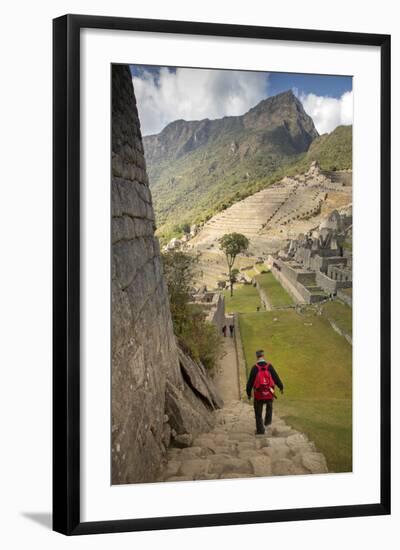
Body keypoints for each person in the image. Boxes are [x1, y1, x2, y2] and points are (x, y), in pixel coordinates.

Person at [246, 349, 284, 435]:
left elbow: (250, 383)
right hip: (269, 392)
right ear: (263, 356)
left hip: (259, 394)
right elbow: (276, 378)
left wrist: (249, 394)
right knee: (269, 407)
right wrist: (281, 387)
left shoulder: (254, 368)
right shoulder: (269, 366)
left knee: (258, 412)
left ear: (257, 356)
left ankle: (260, 430)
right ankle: (267, 424)